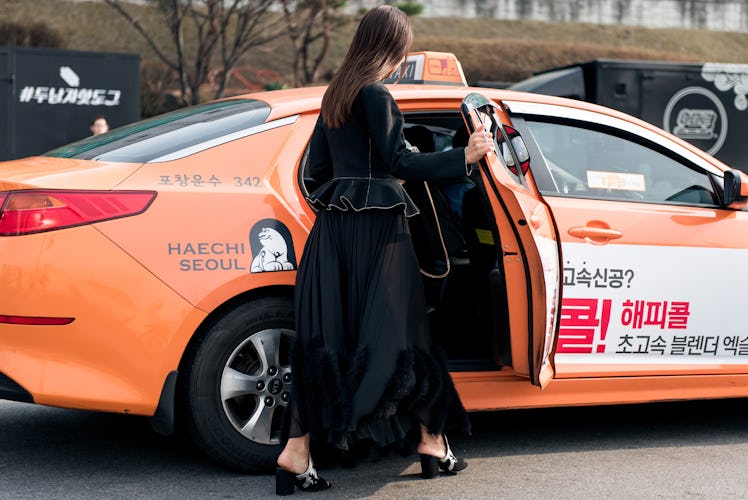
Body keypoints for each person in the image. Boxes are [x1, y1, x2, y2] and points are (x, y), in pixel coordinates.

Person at [274, 5, 493, 495]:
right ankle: (433, 442)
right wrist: (465, 155)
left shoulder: (336, 96)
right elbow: (397, 160)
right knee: (407, 335)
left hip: (332, 237)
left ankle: (295, 451)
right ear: (392, 48)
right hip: (378, 237)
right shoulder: (377, 95)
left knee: (327, 342)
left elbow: (315, 175)